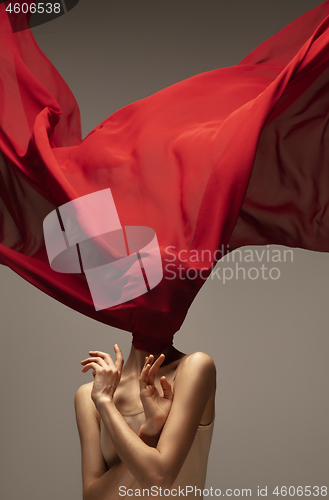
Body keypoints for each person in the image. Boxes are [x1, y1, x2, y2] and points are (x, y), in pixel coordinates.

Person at [74, 343, 216, 500]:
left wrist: (106, 404)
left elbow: (158, 480)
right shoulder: (89, 395)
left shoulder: (194, 367)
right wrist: (147, 435)